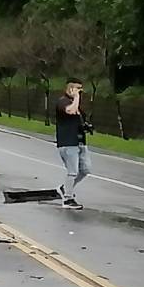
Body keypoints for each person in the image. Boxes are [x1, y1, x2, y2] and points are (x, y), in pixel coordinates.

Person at [55, 77, 91, 207]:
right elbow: (70, 111)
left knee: (85, 169)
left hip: (80, 142)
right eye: (78, 88)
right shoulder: (62, 102)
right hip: (68, 142)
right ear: (70, 88)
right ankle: (68, 199)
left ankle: (65, 188)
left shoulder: (76, 103)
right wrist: (76, 98)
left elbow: (78, 116)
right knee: (72, 171)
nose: (80, 92)